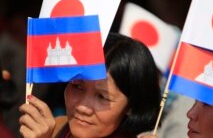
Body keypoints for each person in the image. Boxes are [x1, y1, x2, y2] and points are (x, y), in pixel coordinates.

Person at [19, 33, 162, 138]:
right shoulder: (54, 129)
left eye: (102, 96)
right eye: (77, 87)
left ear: (131, 106)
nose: (82, 107)